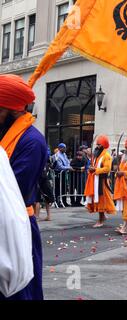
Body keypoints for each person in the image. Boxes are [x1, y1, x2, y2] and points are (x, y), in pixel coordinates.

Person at [0, 74, 47, 300]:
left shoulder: (32, 141)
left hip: (16, 225)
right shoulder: (6, 135)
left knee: (20, 292)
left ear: (12, 110)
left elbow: (14, 190)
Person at [84, 135, 116, 228]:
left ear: (103, 145)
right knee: (98, 200)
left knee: (101, 200)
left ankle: (101, 220)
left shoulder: (106, 156)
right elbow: (94, 166)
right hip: (95, 180)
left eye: (99, 144)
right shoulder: (96, 155)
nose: (97, 146)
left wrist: (95, 170)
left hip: (102, 181)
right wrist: (91, 169)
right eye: (97, 144)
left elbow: (107, 168)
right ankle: (102, 217)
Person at [35, 150, 55, 221]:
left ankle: (37, 216)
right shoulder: (46, 163)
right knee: (46, 199)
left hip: (40, 180)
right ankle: (48, 216)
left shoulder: (38, 162)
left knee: (38, 199)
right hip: (44, 180)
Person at [54, 142, 72, 207]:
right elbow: (59, 166)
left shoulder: (64, 154)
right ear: (59, 148)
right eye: (63, 148)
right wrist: (68, 168)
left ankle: (64, 201)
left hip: (64, 173)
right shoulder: (57, 155)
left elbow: (67, 162)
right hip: (58, 174)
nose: (65, 149)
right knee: (58, 188)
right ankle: (58, 202)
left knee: (64, 188)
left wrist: (68, 166)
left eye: (65, 147)